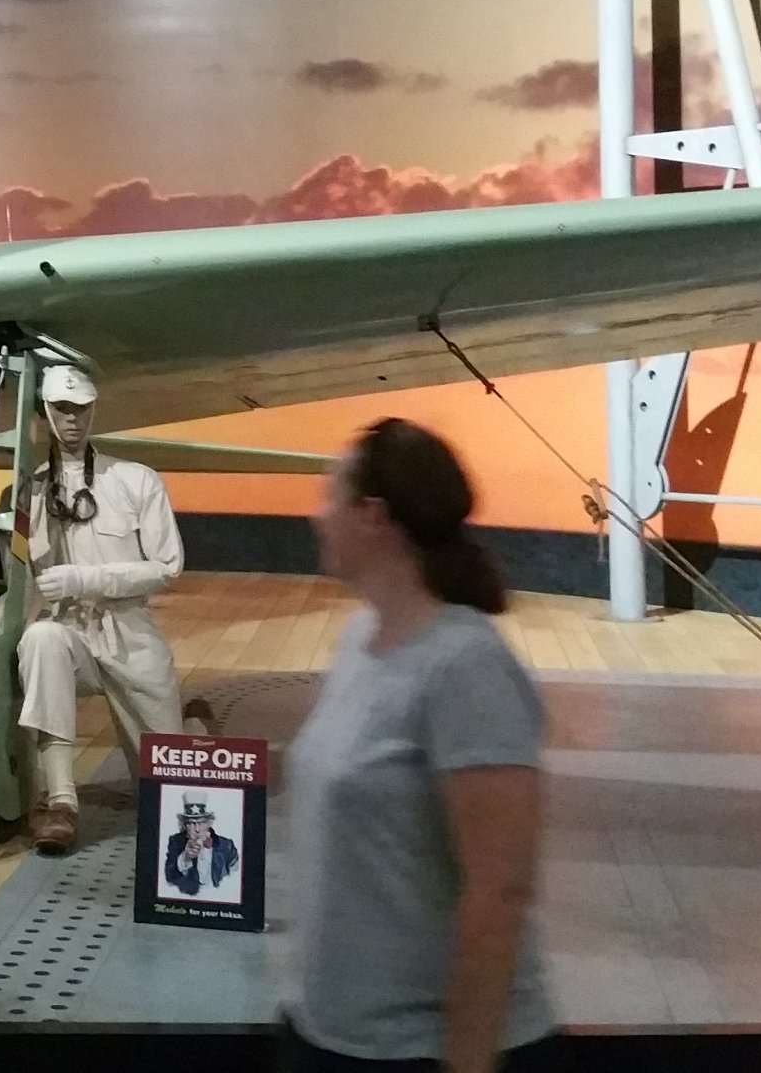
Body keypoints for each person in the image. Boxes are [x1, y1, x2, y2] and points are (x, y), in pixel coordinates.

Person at [282, 418, 552, 1073]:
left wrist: (467, 1062)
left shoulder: (464, 666)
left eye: (330, 496)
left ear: (374, 517)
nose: (316, 516)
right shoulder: (358, 639)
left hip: (418, 1052)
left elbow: (500, 888)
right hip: (333, 1034)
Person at [13, 362, 190, 856]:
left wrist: (85, 578)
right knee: (41, 641)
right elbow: (18, 578)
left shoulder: (135, 480)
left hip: (129, 631)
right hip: (67, 629)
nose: (73, 419)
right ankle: (61, 802)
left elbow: (167, 566)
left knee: (168, 794)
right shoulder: (28, 493)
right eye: (61, 409)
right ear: (45, 412)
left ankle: (193, 730)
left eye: (82, 408)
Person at [165, 796, 241, 895]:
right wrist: (185, 856)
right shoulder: (176, 842)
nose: (197, 829)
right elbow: (170, 878)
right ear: (185, 826)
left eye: (201, 823)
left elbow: (235, 878)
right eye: (192, 823)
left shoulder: (226, 846)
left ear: (209, 824)